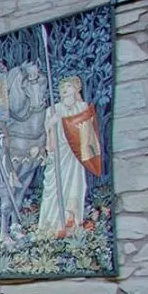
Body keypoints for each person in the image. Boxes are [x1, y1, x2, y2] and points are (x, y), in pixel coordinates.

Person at [39, 75, 102, 237]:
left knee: (74, 186)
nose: (65, 90)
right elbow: (50, 144)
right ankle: (51, 226)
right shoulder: (52, 110)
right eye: (62, 87)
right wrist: (49, 126)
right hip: (59, 157)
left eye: (68, 86)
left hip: (75, 155)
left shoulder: (82, 108)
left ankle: (71, 221)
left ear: (76, 88)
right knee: (53, 188)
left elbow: (88, 136)